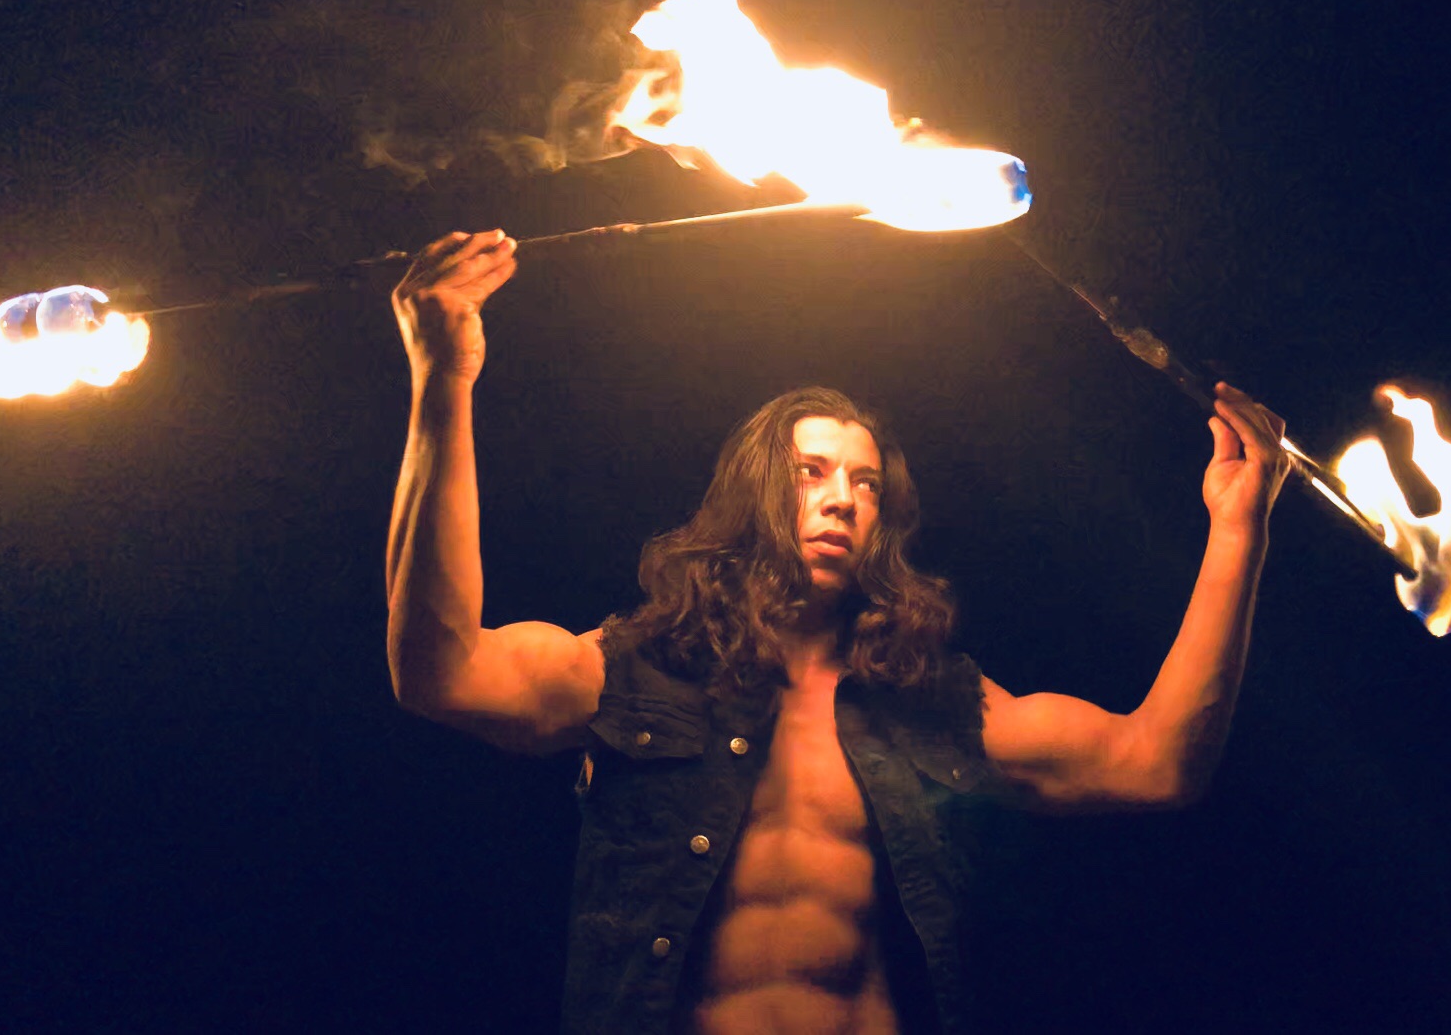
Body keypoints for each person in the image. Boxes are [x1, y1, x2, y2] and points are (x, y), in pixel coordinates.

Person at [385, 229, 1292, 1034]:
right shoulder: (639, 669)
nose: (841, 498)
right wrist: (443, 381)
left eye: (864, 483)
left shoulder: (930, 702)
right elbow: (442, 669)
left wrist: (1237, 526)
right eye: (810, 471)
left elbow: (1153, 762)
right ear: (755, 492)